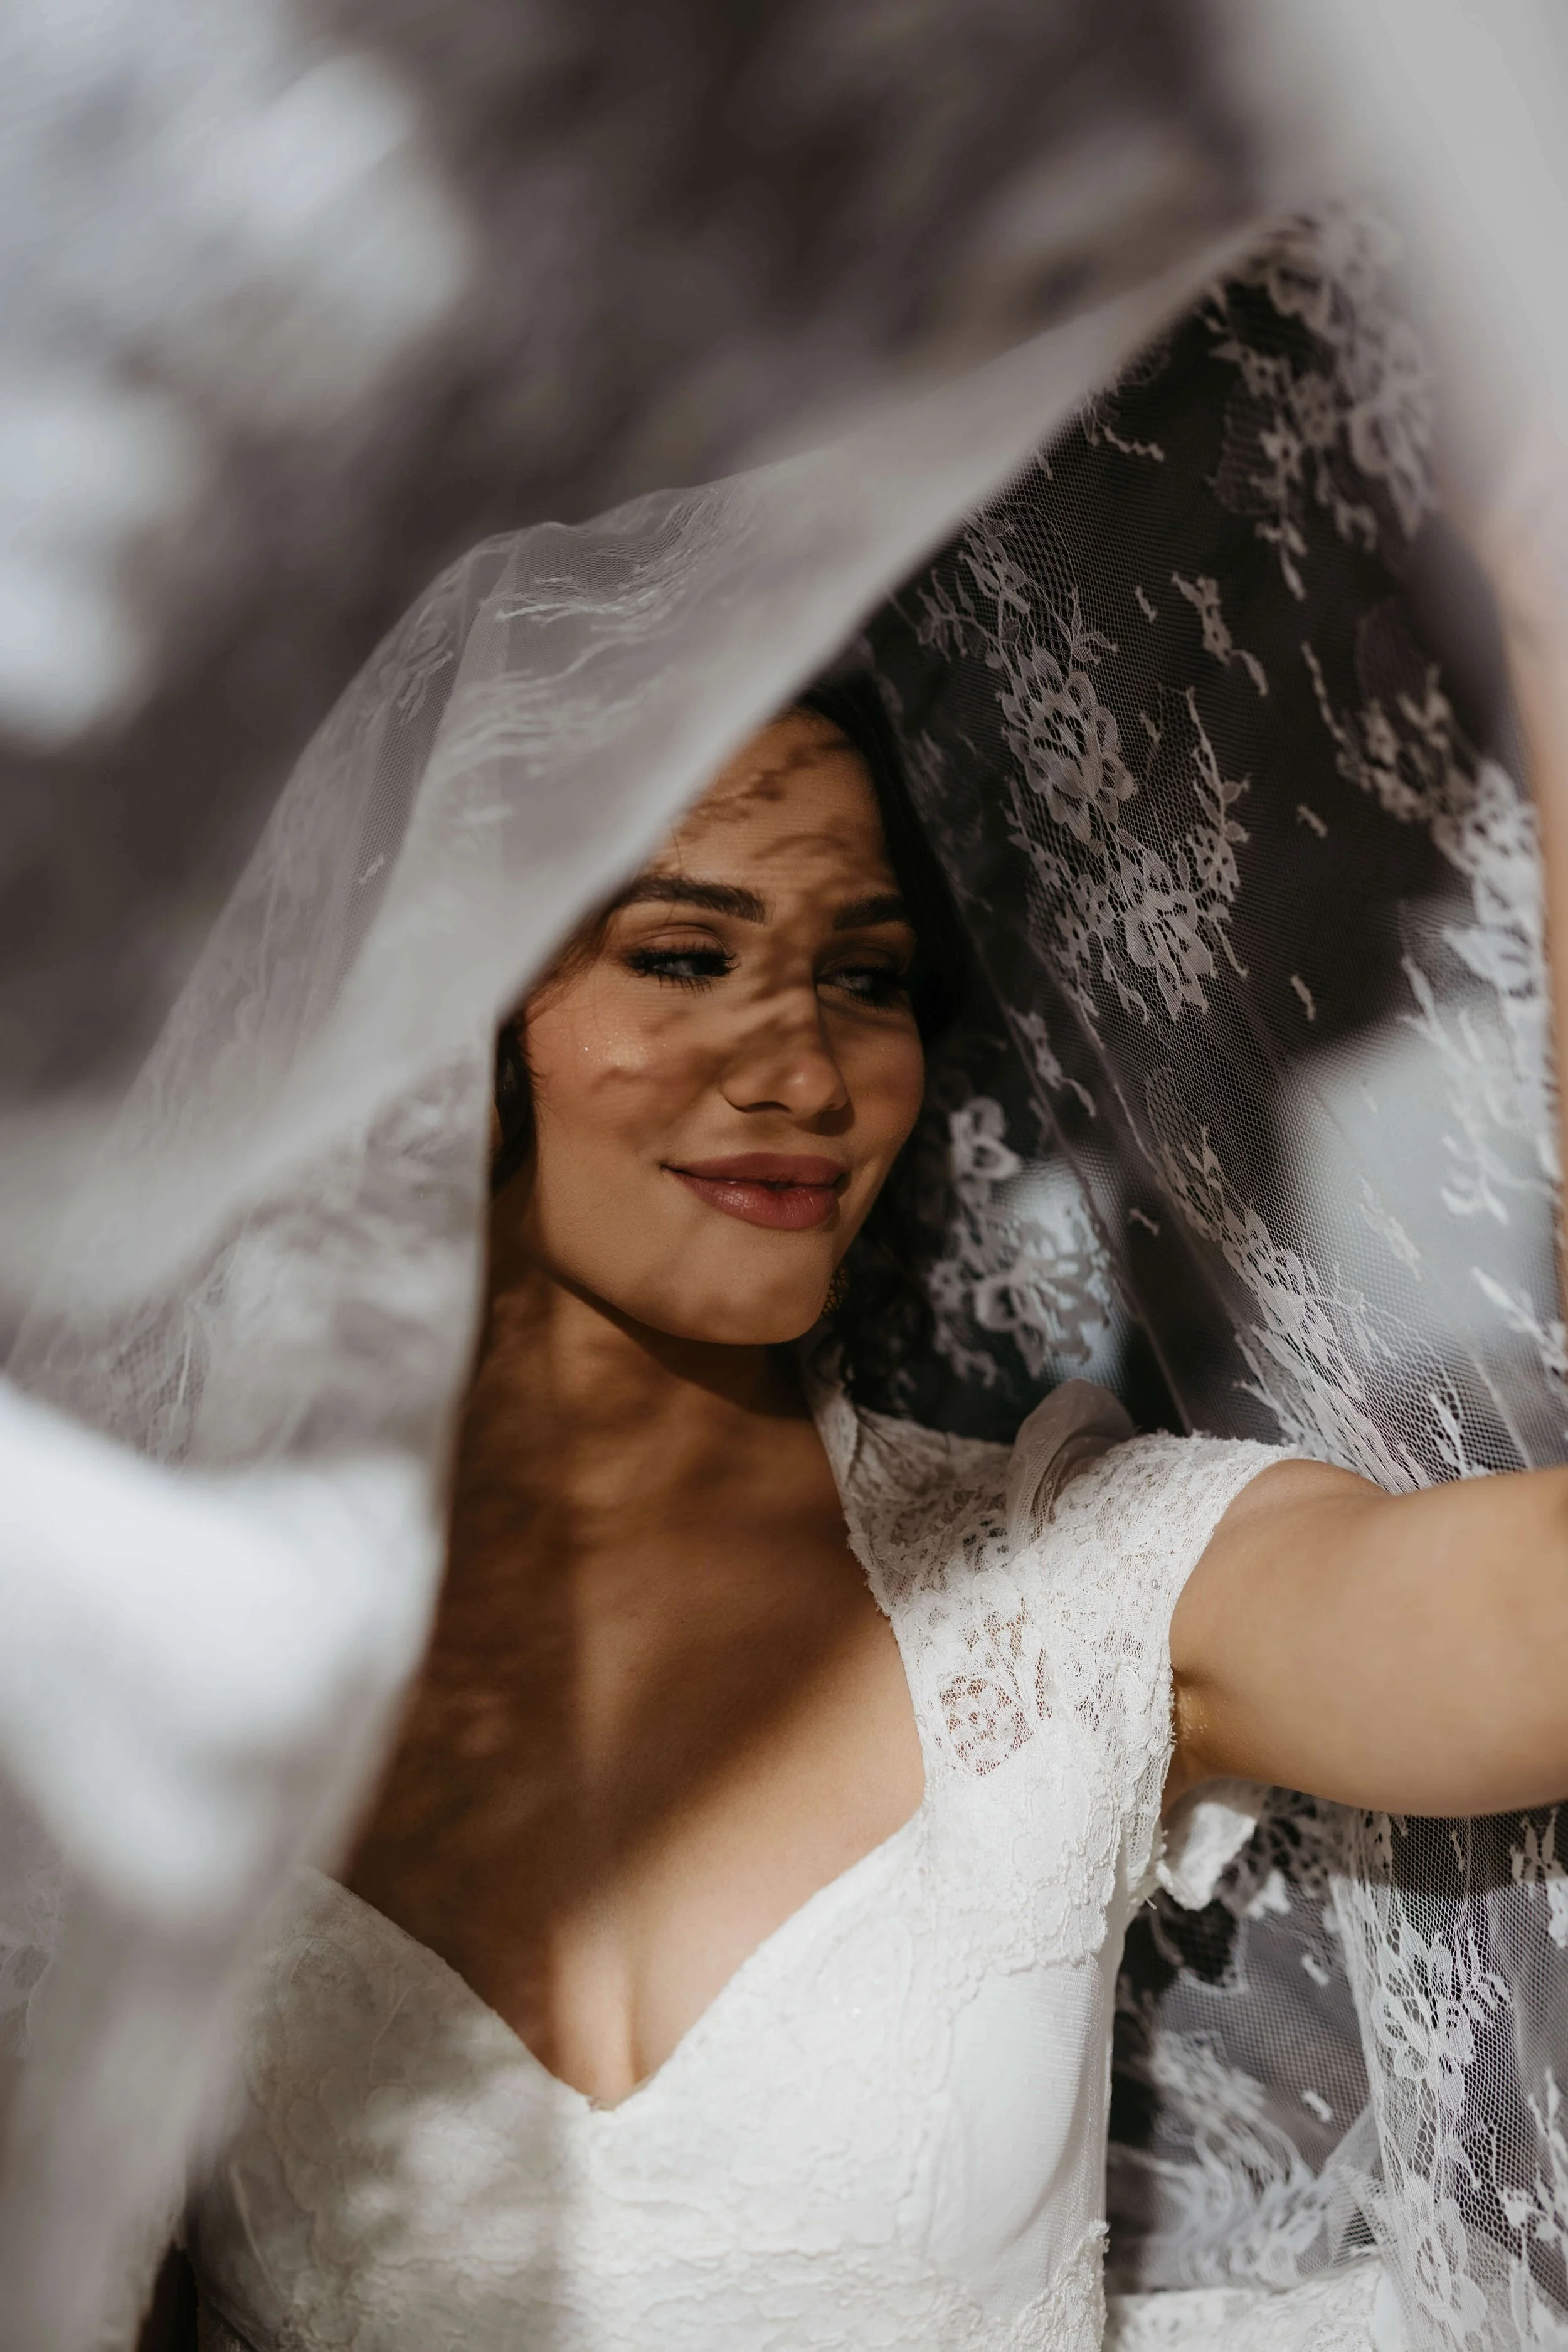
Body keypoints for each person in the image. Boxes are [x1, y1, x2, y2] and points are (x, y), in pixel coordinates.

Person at [163, 684, 1568, 2352]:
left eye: (864, 975)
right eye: (685, 954)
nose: (806, 1069)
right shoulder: (165, 1650)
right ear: (436, 1014)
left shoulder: (1065, 1585)